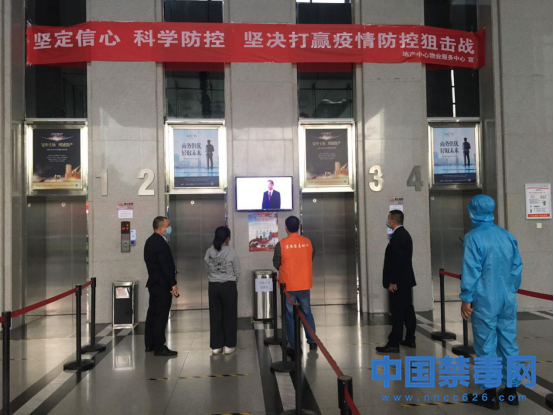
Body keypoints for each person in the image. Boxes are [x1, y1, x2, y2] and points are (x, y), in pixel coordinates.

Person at [460, 195, 523, 410]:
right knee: (508, 342)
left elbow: (471, 270)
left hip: (485, 299)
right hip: (507, 298)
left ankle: (489, 395)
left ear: (473, 212)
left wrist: (466, 298)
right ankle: (511, 391)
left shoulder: (473, 237)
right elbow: (516, 268)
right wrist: (510, 290)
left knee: (486, 344)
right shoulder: (507, 236)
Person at [273, 216, 317, 356]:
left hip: (288, 286)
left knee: (290, 316)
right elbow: (311, 257)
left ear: (286, 227)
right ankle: (312, 341)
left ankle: (294, 346)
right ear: (299, 227)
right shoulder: (308, 242)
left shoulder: (281, 245)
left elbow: (276, 263)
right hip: (304, 284)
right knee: (306, 312)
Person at [376, 210, 417, 354]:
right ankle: (410, 338)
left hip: (399, 282)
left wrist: (393, 281)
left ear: (393, 221)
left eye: (388, 219)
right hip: (405, 280)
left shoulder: (398, 237)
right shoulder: (404, 234)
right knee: (407, 310)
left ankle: (394, 342)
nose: (387, 221)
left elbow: (397, 261)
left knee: (398, 312)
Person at [144, 216, 179, 357]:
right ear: (160, 228)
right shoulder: (160, 243)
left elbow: (157, 264)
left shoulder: (149, 241)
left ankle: (150, 343)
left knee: (152, 313)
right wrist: (173, 283)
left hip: (154, 283)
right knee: (161, 315)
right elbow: (165, 265)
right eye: (167, 225)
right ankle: (159, 346)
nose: (169, 228)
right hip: (162, 285)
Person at [204, 226, 241, 356]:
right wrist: (232, 281)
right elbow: (237, 270)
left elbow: (207, 267)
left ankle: (216, 346)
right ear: (228, 238)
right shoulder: (232, 252)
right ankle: (229, 345)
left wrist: (214, 277)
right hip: (228, 286)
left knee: (215, 315)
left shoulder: (209, 251)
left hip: (213, 286)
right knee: (230, 315)